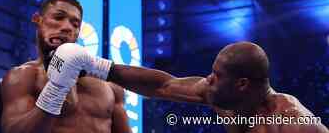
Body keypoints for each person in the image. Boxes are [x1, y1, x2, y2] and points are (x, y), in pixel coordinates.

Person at [107, 41, 329, 133]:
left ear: (242, 84)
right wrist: (101, 68)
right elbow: (162, 85)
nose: (208, 79)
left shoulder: (293, 123)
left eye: (217, 75)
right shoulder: (222, 95)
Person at [0, 0, 131, 133]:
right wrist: (55, 92)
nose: (67, 27)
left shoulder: (110, 84)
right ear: (37, 20)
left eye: (75, 24)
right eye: (58, 18)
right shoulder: (23, 76)